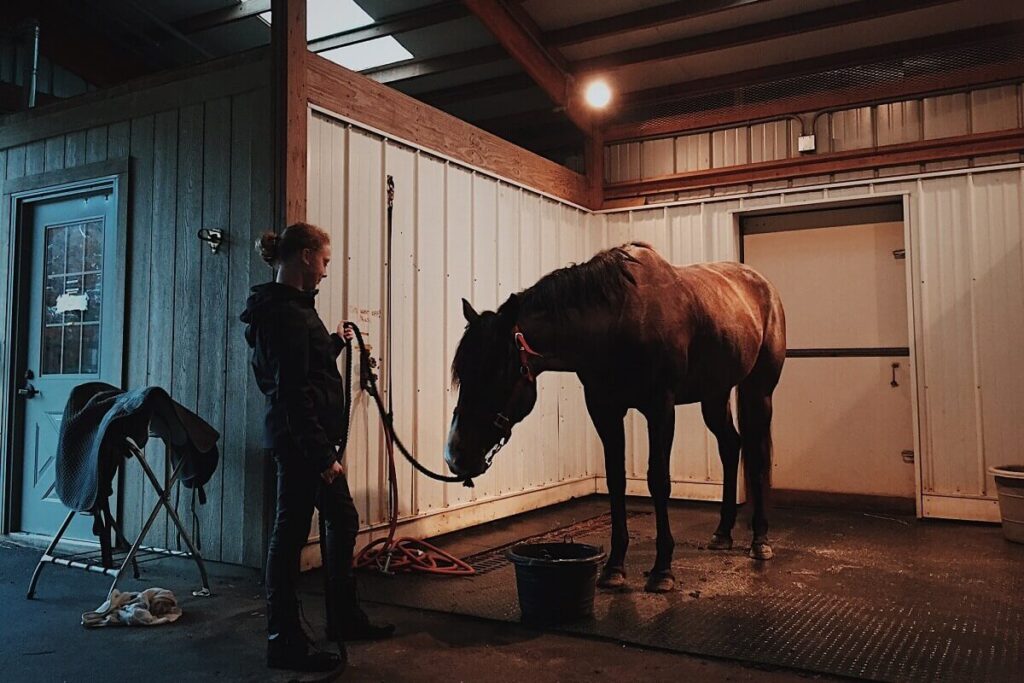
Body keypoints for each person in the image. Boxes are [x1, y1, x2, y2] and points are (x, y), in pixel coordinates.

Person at [240, 222, 394, 673]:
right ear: (306, 255)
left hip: (308, 441)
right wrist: (322, 455)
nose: (326, 271)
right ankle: (283, 640)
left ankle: (342, 618)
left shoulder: (292, 309)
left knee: (340, 518)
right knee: (288, 536)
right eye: (325, 261)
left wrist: (332, 344)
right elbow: (292, 391)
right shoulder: (286, 312)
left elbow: (301, 366)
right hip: (303, 444)